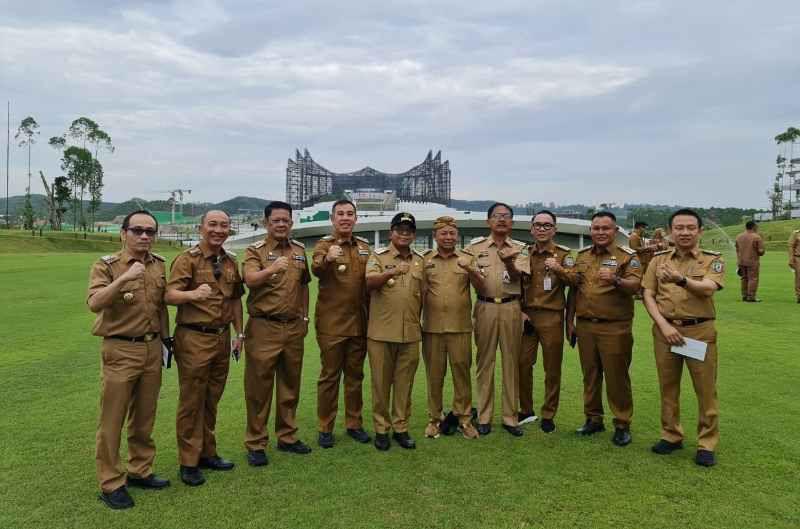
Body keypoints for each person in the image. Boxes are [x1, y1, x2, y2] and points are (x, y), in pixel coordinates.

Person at [87, 210, 171, 510]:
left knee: (145, 416)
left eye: (150, 231)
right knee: (112, 419)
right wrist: (124, 279)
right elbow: (95, 303)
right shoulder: (106, 266)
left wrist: (166, 340)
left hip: (151, 348)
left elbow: (161, 308)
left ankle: (140, 470)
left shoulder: (159, 265)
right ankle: (111, 482)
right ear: (124, 233)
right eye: (137, 230)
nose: (145, 236)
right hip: (120, 349)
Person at [165, 210, 244, 486]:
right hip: (194, 337)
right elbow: (169, 294)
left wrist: (240, 334)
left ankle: (207, 452)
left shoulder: (231, 261)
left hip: (222, 339)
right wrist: (192, 294)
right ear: (201, 228)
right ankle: (188, 461)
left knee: (212, 399)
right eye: (213, 224)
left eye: (224, 225)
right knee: (191, 400)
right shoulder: (187, 260)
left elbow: (235, 300)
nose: (218, 230)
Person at [642, 208, 724, 467]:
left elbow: (709, 288)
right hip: (666, 331)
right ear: (670, 231)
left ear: (700, 231)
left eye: (690, 227)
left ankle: (706, 443)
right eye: (679, 227)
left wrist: (681, 280)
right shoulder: (658, 260)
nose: (684, 232)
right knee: (668, 387)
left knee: (705, 389)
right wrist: (664, 326)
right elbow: (647, 293)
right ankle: (671, 434)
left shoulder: (712, 259)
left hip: (698, 331)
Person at [555, 211, 641, 446]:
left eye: (606, 228)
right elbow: (575, 290)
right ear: (590, 231)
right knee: (590, 375)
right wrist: (569, 321)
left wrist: (616, 280)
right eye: (596, 228)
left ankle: (622, 423)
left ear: (615, 231)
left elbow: (635, 286)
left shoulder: (627, 257)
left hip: (614, 327)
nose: (601, 232)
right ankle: (593, 419)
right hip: (585, 326)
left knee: (616, 377)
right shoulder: (582, 257)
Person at [242, 201, 312, 466]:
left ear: (291, 223)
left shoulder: (299, 250)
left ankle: (288, 436)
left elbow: (304, 286)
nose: (281, 224)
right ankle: (256, 442)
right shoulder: (255, 250)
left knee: (290, 385)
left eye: (286, 220)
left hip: (293, 327)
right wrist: (271, 269)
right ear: (266, 223)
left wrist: (305, 317)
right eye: (276, 221)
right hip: (264, 326)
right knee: (259, 387)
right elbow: (249, 279)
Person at [311, 199, 372, 448]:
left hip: (360, 322)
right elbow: (316, 268)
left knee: (355, 376)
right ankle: (325, 426)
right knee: (330, 376)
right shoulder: (324, 245)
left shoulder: (365, 247)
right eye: (340, 214)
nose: (345, 218)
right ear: (333, 218)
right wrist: (327, 259)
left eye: (350, 214)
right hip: (332, 324)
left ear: (356, 218)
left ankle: (354, 423)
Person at [465, 203, 529, 437]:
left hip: (511, 306)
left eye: (506, 216)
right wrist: (474, 275)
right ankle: (484, 416)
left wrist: (510, 261)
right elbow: (473, 281)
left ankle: (510, 418)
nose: (501, 220)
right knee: (485, 362)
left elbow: (518, 277)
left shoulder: (521, 248)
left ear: (512, 222)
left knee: (511, 362)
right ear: (488, 221)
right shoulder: (475, 248)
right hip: (485, 306)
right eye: (496, 216)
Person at [365, 212, 426, 451]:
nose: (404, 234)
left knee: (404, 384)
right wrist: (390, 272)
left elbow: (425, 293)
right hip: (381, 333)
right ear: (391, 232)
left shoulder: (420, 260)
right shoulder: (378, 256)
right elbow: (369, 283)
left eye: (408, 231)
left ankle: (400, 428)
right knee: (381, 385)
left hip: (410, 333)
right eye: (399, 230)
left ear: (413, 235)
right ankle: (381, 429)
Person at [420, 216, 483, 440]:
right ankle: (434, 419)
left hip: (460, 328)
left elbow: (482, 287)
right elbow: (419, 294)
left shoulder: (467, 259)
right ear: (435, 236)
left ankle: (464, 419)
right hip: (432, 329)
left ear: (457, 235)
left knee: (461, 374)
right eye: (443, 233)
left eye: (452, 233)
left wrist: (472, 270)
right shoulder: (425, 260)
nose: (448, 237)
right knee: (434, 376)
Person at [519, 210, 574, 433]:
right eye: (538, 225)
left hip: (552, 316)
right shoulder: (524, 253)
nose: (542, 229)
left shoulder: (564, 254)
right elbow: (515, 284)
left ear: (555, 229)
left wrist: (559, 269)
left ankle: (549, 413)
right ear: (531, 229)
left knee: (551, 368)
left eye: (547, 225)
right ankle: (525, 409)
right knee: (522, 364)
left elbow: (576, 281)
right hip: (526, 316)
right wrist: (519, 311)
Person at [735, 221, 765, 302]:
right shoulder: (757, 237)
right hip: (752, 261)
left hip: (741, 261)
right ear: (753, 227)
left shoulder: (739, 236)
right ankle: (751, 297)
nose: (757, 228)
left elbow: (737, 249)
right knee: (753, 278)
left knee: (744, 278)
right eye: (756, 227)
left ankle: (744, 295)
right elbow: (761, 251)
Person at [788, 229, 800, 303]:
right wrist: (791, 258)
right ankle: (799, 296)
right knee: (799, 277)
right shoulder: (796, 233)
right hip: (798, 257)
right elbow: (791, 246)